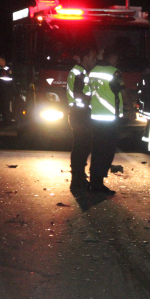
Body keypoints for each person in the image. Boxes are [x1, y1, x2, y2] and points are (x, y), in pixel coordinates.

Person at [88, 47, 125, 195]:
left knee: (97, 150)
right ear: (111, 59)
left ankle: (93, 181)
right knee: (107, 151)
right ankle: (98, 183)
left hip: (95, 116)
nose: (117, 62)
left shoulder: (93, 71)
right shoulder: (114, 72)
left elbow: (88, 91)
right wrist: (128, 109)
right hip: (109, 118)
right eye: (116, 59)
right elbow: (122, 92)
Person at [66, 46, 98, 191]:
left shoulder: (80, 71)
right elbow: (78, 93)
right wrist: (93, 98)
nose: (95, 60)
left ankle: (78, 177)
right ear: (85, 58)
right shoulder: (80, 73)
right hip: (80, 114)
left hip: (79, 113)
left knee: (81, 146)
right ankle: (77, 178)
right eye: (93, 57)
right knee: (81, 146)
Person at [0, 56, 15, 126]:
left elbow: (10, 80)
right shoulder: (0, 70)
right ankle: (5, 120)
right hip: (2, 91)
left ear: (3, 61)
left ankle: (7, 121)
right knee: (2, 106)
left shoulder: (7, 70)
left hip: (7, 91)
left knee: (6, 106)